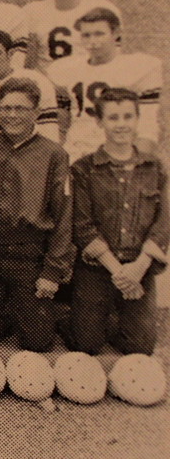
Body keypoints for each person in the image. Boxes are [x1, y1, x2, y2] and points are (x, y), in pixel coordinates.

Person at [0, 77, 73, 352]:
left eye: (21, 109)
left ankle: (47, 311)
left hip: (30, 255)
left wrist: (52, 272)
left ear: (37, 114)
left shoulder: (54, 154)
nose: (12, 115)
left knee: (38, 343)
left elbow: (63, 217)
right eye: (6, 109)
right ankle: (11, 307)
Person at [68, 88, 168, 355]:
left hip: (139, 267)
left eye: (128, 117)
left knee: (140, 347)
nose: (121, 125)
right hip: (97, 268)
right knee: (86, 345)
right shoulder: (84, 169)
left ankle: (115, 315)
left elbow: (163, 223)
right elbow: (82, 225)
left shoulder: (154, 168)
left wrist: (138, 269)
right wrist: (120, 273)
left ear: (137, 119)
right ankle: (81, 314)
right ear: (100, 122)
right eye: (113, 118)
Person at [46, 7, 163, 161]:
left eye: (99, 34)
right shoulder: (66, 70)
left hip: (117, 153)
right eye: (86, 35)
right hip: (76, 151)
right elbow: (61, 123)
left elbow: (147, 128)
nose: (93, 41)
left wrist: (134, 167)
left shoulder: (138, 67)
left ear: (116, 34)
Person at [24, 0, 121, 71]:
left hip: (90, 79)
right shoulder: (33, 12)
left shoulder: (101, 8)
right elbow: (28, 63)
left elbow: (114, 56)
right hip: (49, 82)